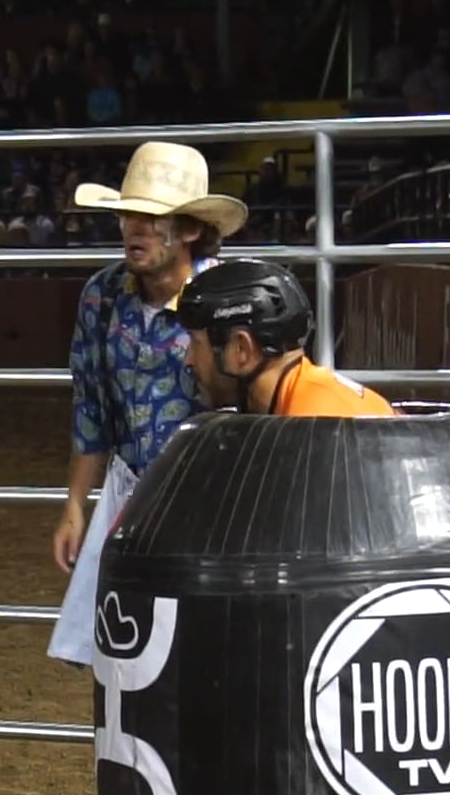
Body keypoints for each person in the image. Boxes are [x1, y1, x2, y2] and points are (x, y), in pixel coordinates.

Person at [46, 142, 248, 668]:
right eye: (127, 216)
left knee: (203, 650)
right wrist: (75, 505)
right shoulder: (102, 296)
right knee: (123, 648)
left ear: (189, 230)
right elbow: (91, 404)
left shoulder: (229, 298)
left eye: (152, 219)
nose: (134, 230)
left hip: (210, 501)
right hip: (129, 492)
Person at [175, 259, 395, 417]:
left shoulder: (315, 419)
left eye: (196, 342)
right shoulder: (300, 402)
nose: (188, 360)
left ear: (241, 349)